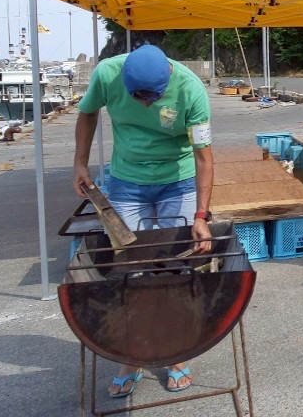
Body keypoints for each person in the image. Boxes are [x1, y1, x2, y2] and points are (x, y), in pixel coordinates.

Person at [72, 43, 214, 398]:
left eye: (154, 97)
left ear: (167, 79)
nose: (146, 104)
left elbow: (204, 157)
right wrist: (80, 163)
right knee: (130, 270)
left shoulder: (191, 90)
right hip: (127, 180)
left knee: (174, 268)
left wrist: (201, 216)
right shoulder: (107, 74)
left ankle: (176, 353)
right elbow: (87, 113)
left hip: (178, 180)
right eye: (138, 97)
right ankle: (133, 357)